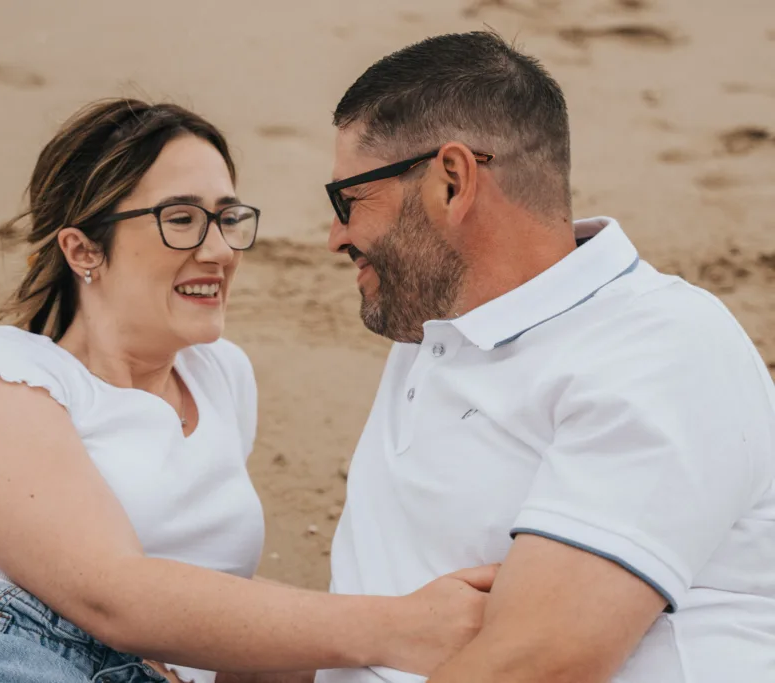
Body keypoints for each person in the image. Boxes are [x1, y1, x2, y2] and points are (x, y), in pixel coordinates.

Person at [0, 99, 496, 683]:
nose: (217, 249)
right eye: (180, 218)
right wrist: (395, 626)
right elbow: (109, 593)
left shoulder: (222, 380)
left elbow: (227, 636)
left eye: (227, 217)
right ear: (82, 249)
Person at [318, 31, 775, 683]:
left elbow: (543, 661)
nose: (335, 237)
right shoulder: (438, 326)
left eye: (348, 201)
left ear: (452, 181)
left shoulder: (658, 346)